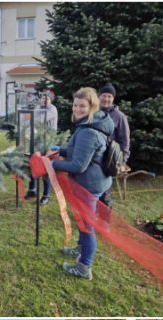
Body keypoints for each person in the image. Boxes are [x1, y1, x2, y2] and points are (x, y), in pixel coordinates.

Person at [45, 87, 114, 281]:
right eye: (75, 105)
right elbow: (81, 152)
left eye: (82, 106)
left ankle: (85, 267)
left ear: (92, 106)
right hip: (98, 182)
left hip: (89, 185)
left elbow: (78, 165)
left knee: (86, 226)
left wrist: (50, 163)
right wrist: (63, 150)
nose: (77, 109)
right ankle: (80, 249)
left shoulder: (88, 131)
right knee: (84, 222)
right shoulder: (92, 123)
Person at [97, 83, 130, 207]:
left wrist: (122, 161)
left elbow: (125, 141)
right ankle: (91, 217)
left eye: (109, 96)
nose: (106, 99)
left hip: (109, 159)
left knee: (105, 194)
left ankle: (104, 221)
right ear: (99, 96)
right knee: (92, 190)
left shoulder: (119, 117)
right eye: (104, 95)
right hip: (94, 158)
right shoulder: (93, 112)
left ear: (113, 98)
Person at [38, 91, 59, 206]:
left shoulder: (52, 109)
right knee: (35, 164)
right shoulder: (39, 108)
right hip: (39, 140)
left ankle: (46, 195)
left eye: (47, 99)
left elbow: (40, 119)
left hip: (48, 142)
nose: (44, 100)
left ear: (51, 100)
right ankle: (32, 190)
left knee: (46, 169)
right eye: (42, 98)